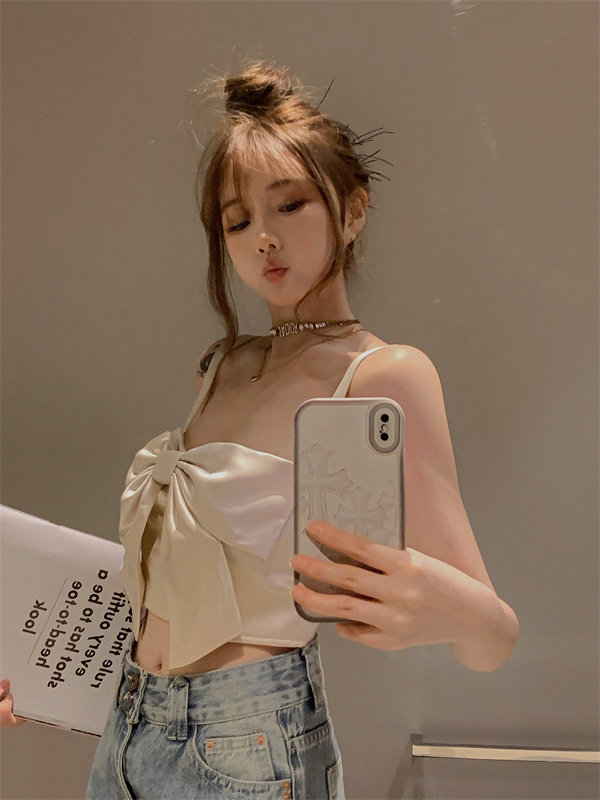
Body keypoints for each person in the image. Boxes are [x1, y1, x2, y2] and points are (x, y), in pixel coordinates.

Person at [2, 59, 519, 799]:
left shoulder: (382, 375)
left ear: (353, 211)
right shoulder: (219, 366)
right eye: (238, 221)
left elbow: (494, 640)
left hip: (245, 743)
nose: (263, 239)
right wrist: (48, 671)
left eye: (291, 205)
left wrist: (445, 606)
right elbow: (183, 588)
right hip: (129, 725)